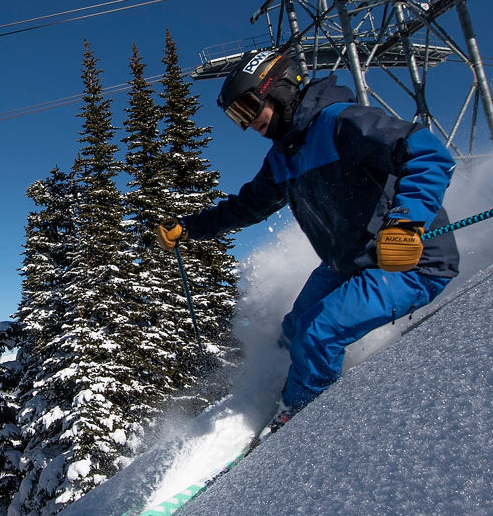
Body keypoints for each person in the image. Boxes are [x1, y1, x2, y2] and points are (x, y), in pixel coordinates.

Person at [157, 49, 459, 435]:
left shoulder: (339, 123)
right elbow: (248, 207)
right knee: (293, 329)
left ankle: (300, 421)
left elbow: (427, 152)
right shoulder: (284, 155)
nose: (248, 124)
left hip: (408, 263)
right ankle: (270, 391)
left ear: (279, 89)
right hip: (348, 264)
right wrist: (189, 227)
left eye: (249, 107)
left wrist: (406, 222)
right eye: (237, 117)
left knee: (319, 331)